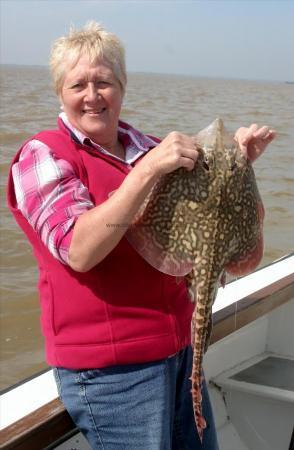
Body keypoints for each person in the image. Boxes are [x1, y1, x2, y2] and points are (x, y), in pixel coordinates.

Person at [7, 22, 276, 450]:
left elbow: (226, 243)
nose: (92, 95)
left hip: (180, 352)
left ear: (123, 87)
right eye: (78, 84)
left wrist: (239, 167)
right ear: (60, 91)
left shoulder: (152, 146)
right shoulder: (44, 155)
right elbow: (78, 249)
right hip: (115, 375)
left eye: (104, 82)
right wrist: (148, 170)